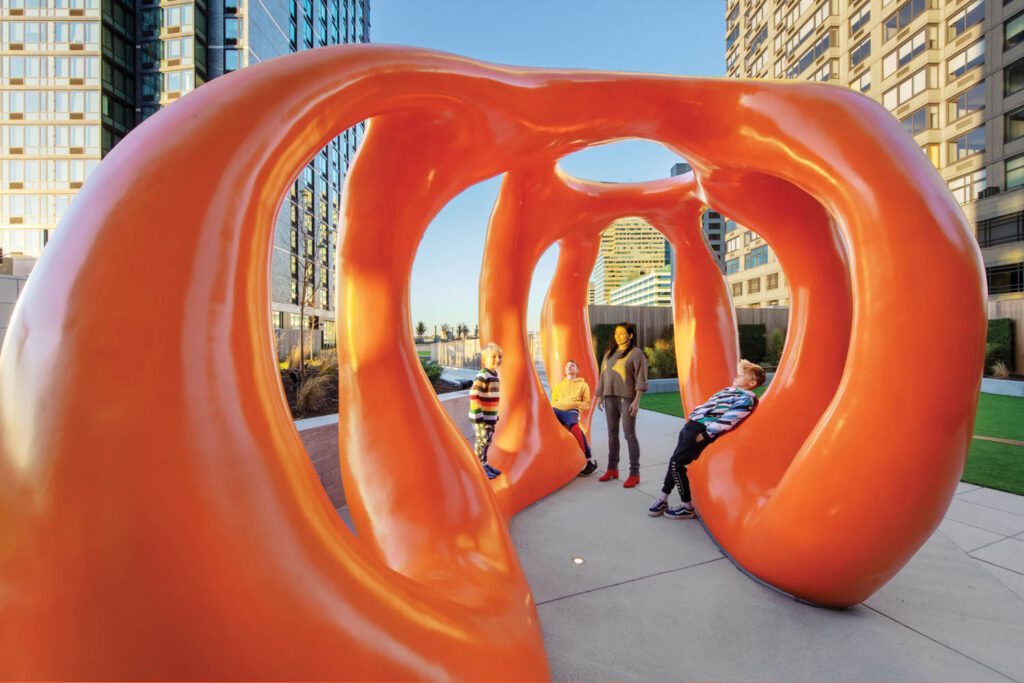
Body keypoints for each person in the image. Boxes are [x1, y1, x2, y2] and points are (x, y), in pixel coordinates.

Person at [648, 359, 766, 519]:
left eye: (743, 375)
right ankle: (663, 498)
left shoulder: (747, 399)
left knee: (676, 464)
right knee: (674, 462)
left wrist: (705, 434)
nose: (737, 376)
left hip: (700, 430)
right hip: (691, 426)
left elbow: (729, 418)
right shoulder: (729, 391)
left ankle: (686, 506)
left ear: (752, 382)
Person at [594, 322, 648, 488]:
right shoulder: (610, 352)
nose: (618, 336)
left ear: (630, 335)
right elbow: (603, 374)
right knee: (612, 434)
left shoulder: (636, 353)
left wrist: (637, 401)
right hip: (610, 398)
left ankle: (634, 473)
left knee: (629, 434)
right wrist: (600, 396)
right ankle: (612, 469)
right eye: (616, 333)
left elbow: (641, 379)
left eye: (622, 333)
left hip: (627, 399)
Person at [550, 359, 598, 477]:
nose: (569, 367)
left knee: (574, 426)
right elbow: (554, 403)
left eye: (572, 366)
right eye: (567, 366)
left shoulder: (583, 385)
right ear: (565, 371)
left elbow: (586, 404)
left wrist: (573, 405)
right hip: (556, 410)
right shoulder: (559, 386)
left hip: (571, 412)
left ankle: (589, 459)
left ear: (577, 370)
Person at [469, 343, 503, 479]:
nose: (497, 359)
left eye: (499, 357)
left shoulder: (494, 374)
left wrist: (495, 415)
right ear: (484, 359)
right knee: (481, 441)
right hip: (480, 417)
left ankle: (484, 463)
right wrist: (478, 413)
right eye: (493, 357)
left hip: (490, 416)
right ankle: (478, 467)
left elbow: (492, 398)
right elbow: (473, 393)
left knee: (487, 441)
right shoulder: (483, 375)